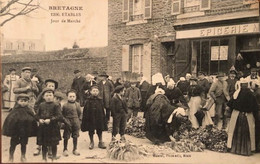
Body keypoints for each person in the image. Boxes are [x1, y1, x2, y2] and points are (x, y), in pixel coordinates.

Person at [227, 78, 259, 156]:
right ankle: (246, 150)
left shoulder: (236, 94)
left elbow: (230, 105)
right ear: (248, 85)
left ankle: (234, 149)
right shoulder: (251, 94)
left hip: (236, 115)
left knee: (235, 131)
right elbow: (255, 107)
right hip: (247, 116)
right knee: (247, 133)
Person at [2, 94, 38, 162]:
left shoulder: (29, 110)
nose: (23, 102)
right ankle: (11, 157)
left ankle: (23, 156)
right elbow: (10, 120)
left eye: (25, 101)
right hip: (15, 132)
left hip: (25, 131)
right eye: (21, 101)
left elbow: (34, 118)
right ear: (18, 101)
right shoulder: (15, 110)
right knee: (13, 144)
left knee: (24, 144)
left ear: (28, 102)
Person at [36, 88, 63, 162]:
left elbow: (59, 116)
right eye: (46, 95)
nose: (48, 97)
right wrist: (39, 119)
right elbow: (37, 115)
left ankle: (53, 157)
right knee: (44, 144)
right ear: (43, 97)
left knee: (54, 144)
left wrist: (50, 120)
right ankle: (44, 158)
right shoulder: (41, 105)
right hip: (43, 127)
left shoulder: (56, 105)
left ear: (53, 96)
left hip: (53, 128)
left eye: (50, 95)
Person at [81, 85, 107, 150]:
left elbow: (102, 109)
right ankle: (91, 141)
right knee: (91, 129)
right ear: (90, 92)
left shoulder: (100, 100)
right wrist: (86, 118)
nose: (95, 92)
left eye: (96, 91)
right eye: (93, 91)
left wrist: (103, 117)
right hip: (91, 117)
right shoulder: (88, 100)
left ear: (98, 92)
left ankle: (100, 141)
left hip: (99, 117)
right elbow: (85, 110)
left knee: (99, 129)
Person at [62, 90, 81, 156]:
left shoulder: (77, 105)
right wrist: (65, 121)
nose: (72, 98)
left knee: (75, 135)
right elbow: (63, 114)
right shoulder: (65, 105)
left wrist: (78, 121)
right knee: (66, 136)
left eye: (73, 96)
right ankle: (65, 149)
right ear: (67, 97)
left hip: (75, 121)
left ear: (76, 97)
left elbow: (79, 113)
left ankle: (75, 149)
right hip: (67, 121)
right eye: (70, 96)